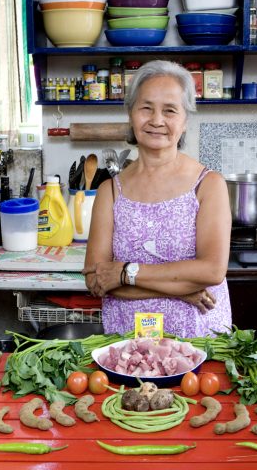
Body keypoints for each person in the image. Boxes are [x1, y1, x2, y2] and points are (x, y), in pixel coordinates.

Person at [83, 60, 232, 338]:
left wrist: (125, 273)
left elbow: (212, 271)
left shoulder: (209, 185)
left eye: (170, 110)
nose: (157, 120)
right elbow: (96, 278)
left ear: (185, 120)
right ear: (131, 114)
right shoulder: (110, 191)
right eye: (146, 108)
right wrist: (184, 290)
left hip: (198, 339)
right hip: (127, 343)